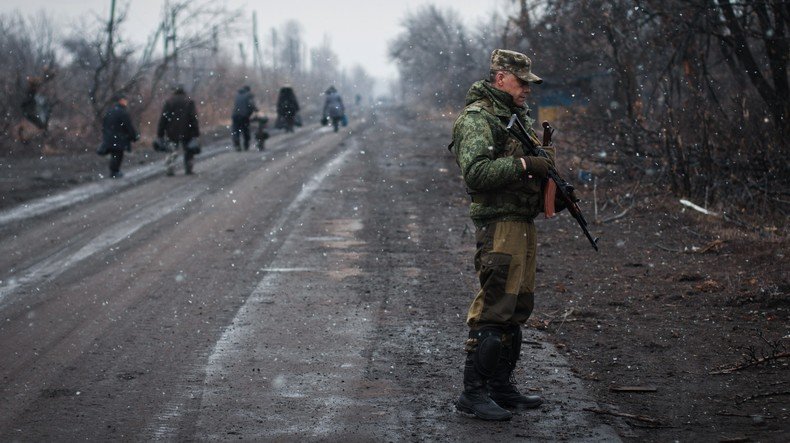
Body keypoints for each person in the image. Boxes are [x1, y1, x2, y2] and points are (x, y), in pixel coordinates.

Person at [449, 49, 552, 421]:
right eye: (521, 81)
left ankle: (500, 387)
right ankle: (472, 393)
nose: (527, 88)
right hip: (499, 225)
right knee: (495, 308)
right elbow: (476, 173)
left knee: (517, 308)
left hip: (521, 222)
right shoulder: (477, 119)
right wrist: (526, 163)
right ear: (500, 78)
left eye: (529, 82)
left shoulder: (515, 117)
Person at [157, 85, 200, 175]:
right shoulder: (189, 101)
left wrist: (160, 133)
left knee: (172, 150)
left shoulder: (169, 102)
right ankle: (188, 168)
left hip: (172, 130)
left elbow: (163, 118)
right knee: (188, 150)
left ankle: (170, 168)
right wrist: (196, 132)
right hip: (187, 130)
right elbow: (193, 118)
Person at [102, 92, 139, 178]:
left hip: (110, 136)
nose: (126, 102)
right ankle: (114, 171)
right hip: (119, 137)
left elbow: (104, 125)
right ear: (121, 101)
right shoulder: (122, 113)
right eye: (125, 100)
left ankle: (114, 171)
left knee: (114, 154)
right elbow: (128, 126)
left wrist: (106, 135)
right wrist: (134, 136)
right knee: (118, 155)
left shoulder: (110, 111)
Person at [231, 85, 257, 150]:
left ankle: (237, 143)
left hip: (235, 115)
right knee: (245, 130)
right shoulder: (249, 95)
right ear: (248, 90)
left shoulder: (237, 95)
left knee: (236, 130)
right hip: (244, 116)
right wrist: (255, 109)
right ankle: (246, 144)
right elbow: (251, 104)